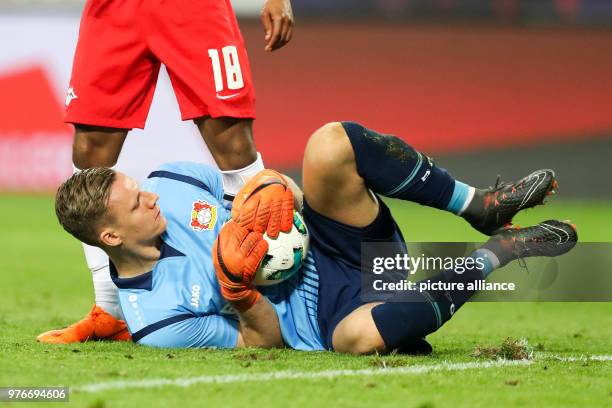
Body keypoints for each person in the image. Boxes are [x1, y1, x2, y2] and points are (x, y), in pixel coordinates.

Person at [52, 122, 577, 353]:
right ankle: (502, 251)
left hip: (336, 239)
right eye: (135, 202)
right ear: (111, 234)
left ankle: (478, 206)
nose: (149, 196)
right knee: (361, 342)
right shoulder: (158, 322)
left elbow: (273, 193)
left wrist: (274, 185)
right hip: (327, 316)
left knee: (329, 143)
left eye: (138, 186)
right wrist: (239, 291)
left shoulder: (171, 180)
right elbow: (263, 342)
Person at [37, 0, 295, 343]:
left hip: (193, 8)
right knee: (90, 148)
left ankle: (271, 283)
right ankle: (110, 310)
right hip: (115, 8)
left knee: (231, 139)